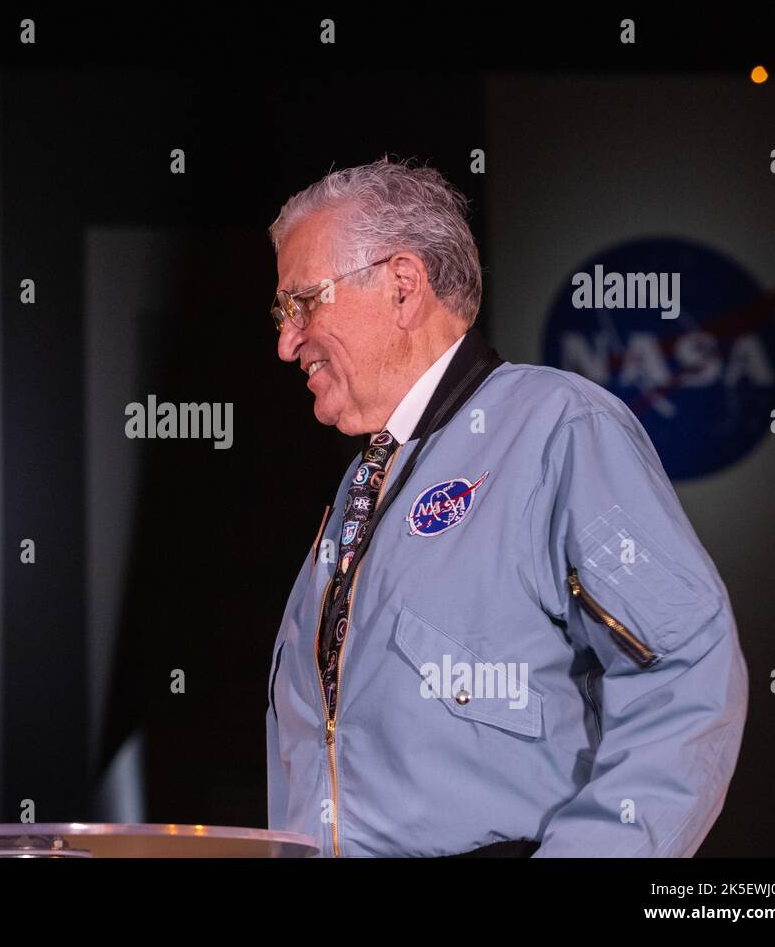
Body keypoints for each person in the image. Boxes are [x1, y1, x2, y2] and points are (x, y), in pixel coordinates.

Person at [264, 156, 748, 857]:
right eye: (282, 312)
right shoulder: (363, 484)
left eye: (305, 301)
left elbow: (685, 671)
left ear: (403, 286)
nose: (286, 341)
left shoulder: (560, 426)